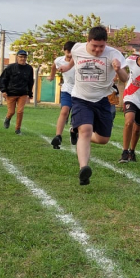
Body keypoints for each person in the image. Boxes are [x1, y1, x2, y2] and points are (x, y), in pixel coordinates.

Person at [56, 26, 128, 185]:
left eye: (101, 46)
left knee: (103, 139)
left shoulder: (114, 54)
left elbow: (125, 78)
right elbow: (74, 59)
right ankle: (84, 170)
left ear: (106, 44)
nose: (97, 50)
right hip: (81, 98)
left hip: (103, 99)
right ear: (87, 41)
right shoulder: (77, 48)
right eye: (94, 46)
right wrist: (67, 67)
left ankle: (76, 132)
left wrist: (118, 69)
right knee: (86, 130)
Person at [0, 49, 35, 135]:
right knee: (11, 112)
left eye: (24, 57)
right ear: (17, 57)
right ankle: (7, 118)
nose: (23, 59)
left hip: (23, 93)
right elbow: (3, 79)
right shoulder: (11, 67)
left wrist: (30, 93)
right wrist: (3, 90)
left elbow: (30, 81)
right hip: (11, 93)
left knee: (20, 111)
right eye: (21, 57)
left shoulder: (29, 68)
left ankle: (18, 129)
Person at [49, 41, 76, 149]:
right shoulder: (59, 60)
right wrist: (51, 76)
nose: (69, 55)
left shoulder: (79, 60)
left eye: (71, 53)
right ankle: (58, 136)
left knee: (77, 115)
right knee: (64, 111)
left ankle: (74, 131)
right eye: (67, 52)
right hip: (67, 88)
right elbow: (53, 66)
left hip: (80, 90)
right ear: (64, 51)